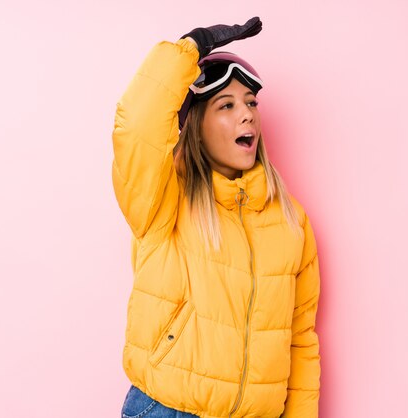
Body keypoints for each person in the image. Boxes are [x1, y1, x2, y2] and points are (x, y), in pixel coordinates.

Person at [111, 17, 321, 418]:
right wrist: (191, 48)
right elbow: (136, 128)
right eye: (226, 105)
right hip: (168, 408)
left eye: (251, 103)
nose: (247, 115)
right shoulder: (164, 200)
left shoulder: (291, 221)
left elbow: (299, 340)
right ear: (196, 127)